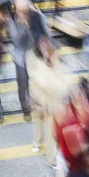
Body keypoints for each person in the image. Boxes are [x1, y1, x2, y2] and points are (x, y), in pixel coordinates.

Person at [0, 0, 51, 121]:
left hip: (35, 57)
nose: (21, 15)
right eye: (20, 12)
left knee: (40, 83)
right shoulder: (12, 21)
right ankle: (26, 109)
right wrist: (26, 26)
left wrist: (34, 19)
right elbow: (16, 39)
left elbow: (45, 32)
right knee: (22, 85)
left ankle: (43, 105)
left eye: (25, 12)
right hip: (20, 58)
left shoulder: (36, 17)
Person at [27, 37, 70, 167]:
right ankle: (36, 141)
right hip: (38, 100)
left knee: (51, 131)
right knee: (38, 122)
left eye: (48, 47)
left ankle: (51, 159)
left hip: (52, 103)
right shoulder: (32, 58)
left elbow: (61, 81)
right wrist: (40, 100)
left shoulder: (55, 59)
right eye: (43, 47)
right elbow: (34, 81)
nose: (46, 50)